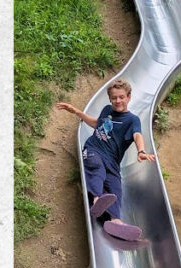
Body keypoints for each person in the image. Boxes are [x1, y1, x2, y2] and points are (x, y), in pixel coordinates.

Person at [56, 79, 156, 241]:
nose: (118, 101)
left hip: (113, 161)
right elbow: (97, 124)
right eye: (114, 98)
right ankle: (97, 199)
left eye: (121, 97)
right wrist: (77, 112)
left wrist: (141, 151)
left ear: (129, 97)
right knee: (97, 169)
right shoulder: (106, 110)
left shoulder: (132, 120)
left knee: (116, 189)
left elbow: (137, 135)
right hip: (94, 149)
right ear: (110, 99)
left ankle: (115, 221)